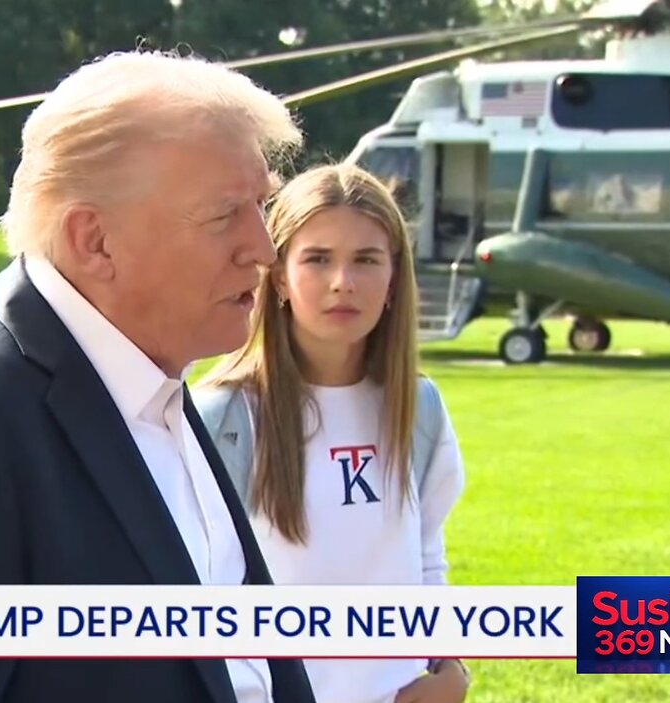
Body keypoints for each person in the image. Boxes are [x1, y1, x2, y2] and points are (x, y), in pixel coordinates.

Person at [0, 50, 316, 703]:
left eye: (261, 204)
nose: (264, 248)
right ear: (94, 240)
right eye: (225, 215)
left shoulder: (150, 369)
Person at [194, 163, 471, 703]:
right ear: (278, 276)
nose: (343, 281)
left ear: (394, 279)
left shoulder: (418, 408)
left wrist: (448, 665)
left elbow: (425, 556)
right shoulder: (223, 417)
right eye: (317, 259)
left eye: (366, 260)